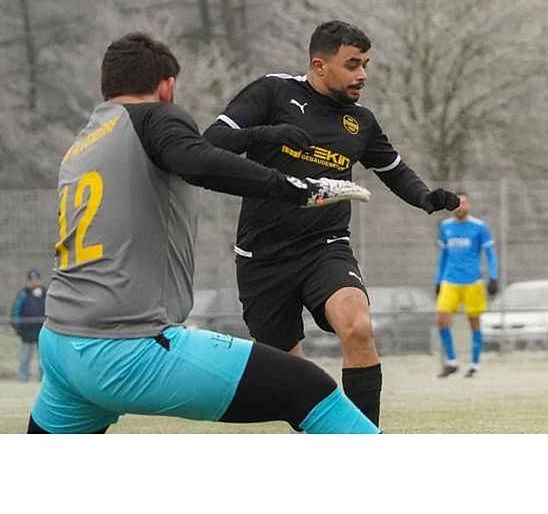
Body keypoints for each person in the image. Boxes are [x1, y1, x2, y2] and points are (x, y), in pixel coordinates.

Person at [28, 32, 378, 434]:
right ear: (167, 87)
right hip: (125, 345)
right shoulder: (155, 115)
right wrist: (298, 188)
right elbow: (196, 161)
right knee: (308, 386)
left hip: (59, 344)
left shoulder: (85, 139)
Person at [202, 20, 459, 426]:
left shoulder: (361, 123)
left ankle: (363, 438)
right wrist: (268, 135)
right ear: (319, 66)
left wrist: (426, 198)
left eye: (366, 64)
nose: (363, 75)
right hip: (262, 258)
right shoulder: (273, 91)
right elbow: (210, 141)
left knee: (358, 326)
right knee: (291, 382)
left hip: (325, 247)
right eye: (353, 64)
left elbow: (393, 170)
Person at [434, 192, 499, 378]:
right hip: (450, 281)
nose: (460, 206)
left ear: (469, 205)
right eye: (457, 203)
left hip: (473, 282)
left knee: (475, 323)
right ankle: (452, 361)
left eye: (464, 202)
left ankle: (474, 365)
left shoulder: (479, 227)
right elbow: (443, 256)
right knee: (441, 319)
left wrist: (493, 277)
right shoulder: (445, 227)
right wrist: (438, 281)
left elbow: (490, 254)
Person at [11, 268, 46, 382]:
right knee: (25, 357)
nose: (34, 281)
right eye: (32, 279)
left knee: (43, 358)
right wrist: (18, 328)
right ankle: (23, 378)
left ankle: (43, 379)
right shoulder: (23, 294)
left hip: (42, 331)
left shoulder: (45, 293)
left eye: (36, 279)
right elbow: (16, 311)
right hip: (26, 332)